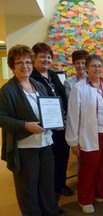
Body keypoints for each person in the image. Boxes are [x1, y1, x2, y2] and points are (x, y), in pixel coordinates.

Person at [0, 44, 63, 216]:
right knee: (28, 189)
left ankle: (50, 212)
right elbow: (2, 118)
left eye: (28, 62)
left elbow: (47, 109)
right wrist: (25, 125)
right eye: (19, 62)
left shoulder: (37, 84)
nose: (25, 66)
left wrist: (55, 122)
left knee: (46, 184)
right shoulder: (8, 90)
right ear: (12, 66)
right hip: (25, 147)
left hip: (45, 143)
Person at [65, 54, 103, 214]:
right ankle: (85, 199)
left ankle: (101, 193)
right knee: (88, 169)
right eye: (93, 66)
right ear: (87, 68)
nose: (97, 69)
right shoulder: (79, 88)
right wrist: (73, 141)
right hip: (91, 136)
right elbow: (73, 115)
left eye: (99, 66)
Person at [30, 42, 72, 201]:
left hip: (62, 125)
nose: (46, 60)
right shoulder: (31, 77)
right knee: (48, 160)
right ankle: (48, 190)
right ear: (34, 58)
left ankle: (60, 184)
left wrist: (65, 117)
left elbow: (63, 97)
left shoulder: (54, 75)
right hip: (45, 128)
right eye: (42, 56)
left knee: (62, 157)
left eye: (49, 57)